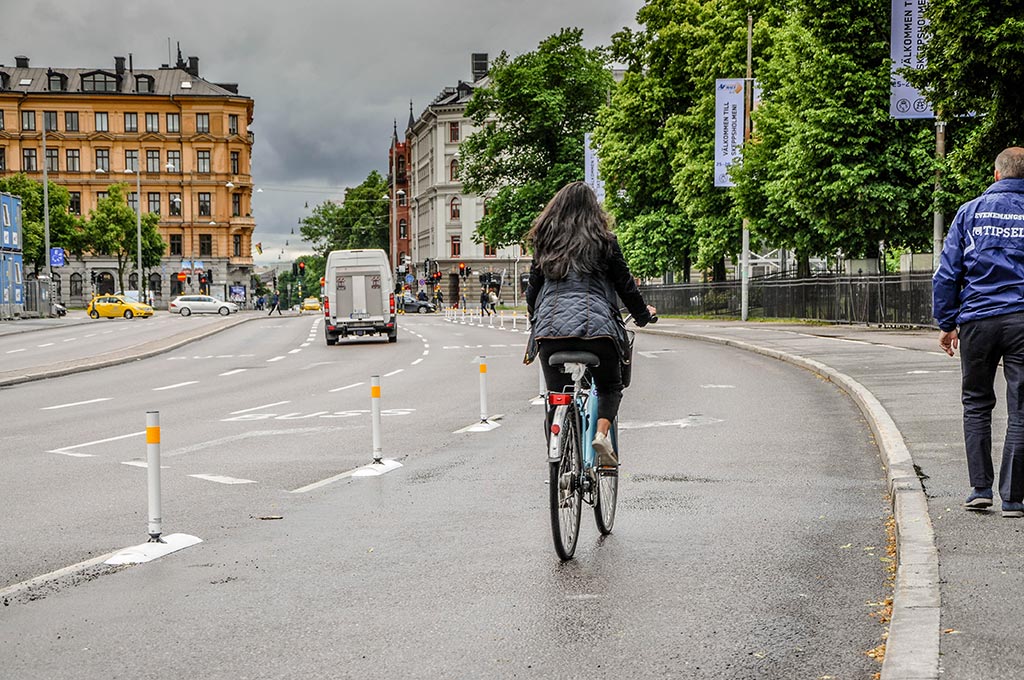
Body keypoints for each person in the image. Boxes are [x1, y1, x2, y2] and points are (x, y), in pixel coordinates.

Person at [525, 181, 656, 467]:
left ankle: (560, 464)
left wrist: (537, 317)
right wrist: (643, 315)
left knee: (558, 396)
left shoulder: (545, 242)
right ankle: (600, 433)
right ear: (594, 211)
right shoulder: (605, 241)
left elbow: (532, 291)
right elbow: (626, 286)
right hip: (598, 332)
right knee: (610, 385)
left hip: (549, 333)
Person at [934, 146, 1024, 518]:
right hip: (1021, 318)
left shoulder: (969, 213)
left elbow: (948, 271)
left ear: (997, 174)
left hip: (977, 320)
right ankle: (1014, 498)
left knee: (976, 403)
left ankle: (979, 488)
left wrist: (946, 322)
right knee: (1021, 408)